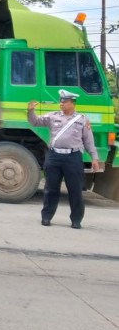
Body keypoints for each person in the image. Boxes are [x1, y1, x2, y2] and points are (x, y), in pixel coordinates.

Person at [28, 89, 103, 229]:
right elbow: (35, 122)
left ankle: (76, 220)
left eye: (65, 102)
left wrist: (94, 158)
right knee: (50, 188)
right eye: (60, 101)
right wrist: (30, 111)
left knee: (75, 190)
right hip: (54, 156)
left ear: (72, 103)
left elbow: (88, 141)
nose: (61, 104)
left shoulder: (82, 120)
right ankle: (46, 217)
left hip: (73, 157)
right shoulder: (52, 116)